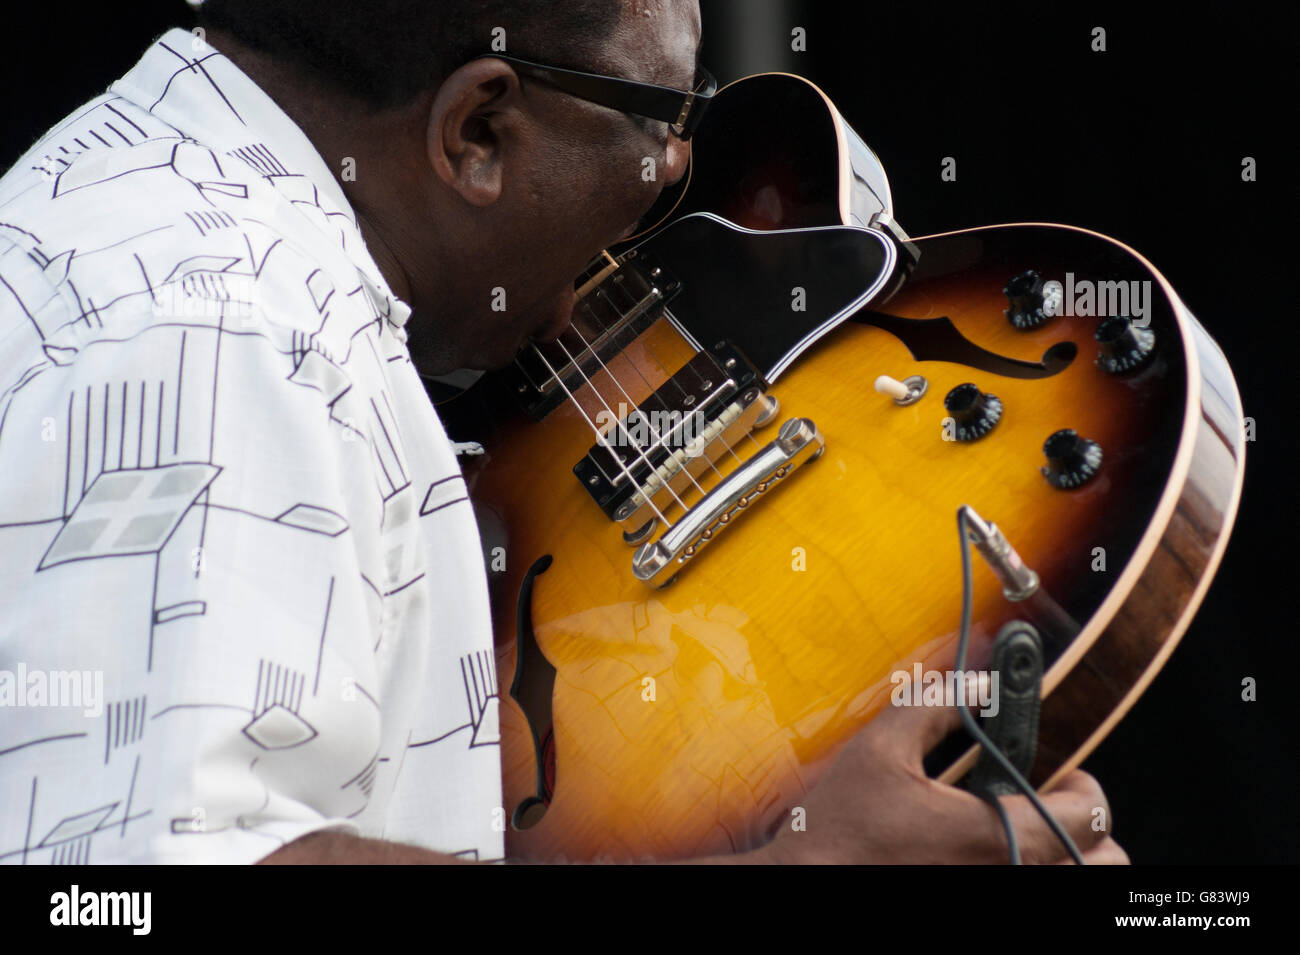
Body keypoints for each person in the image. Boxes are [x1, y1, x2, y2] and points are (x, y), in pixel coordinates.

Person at [0, 0, 1126, 865]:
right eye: (669, 116)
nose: (683, 168)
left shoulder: (195, 229)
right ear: (479, 130)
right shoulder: (220, 331)